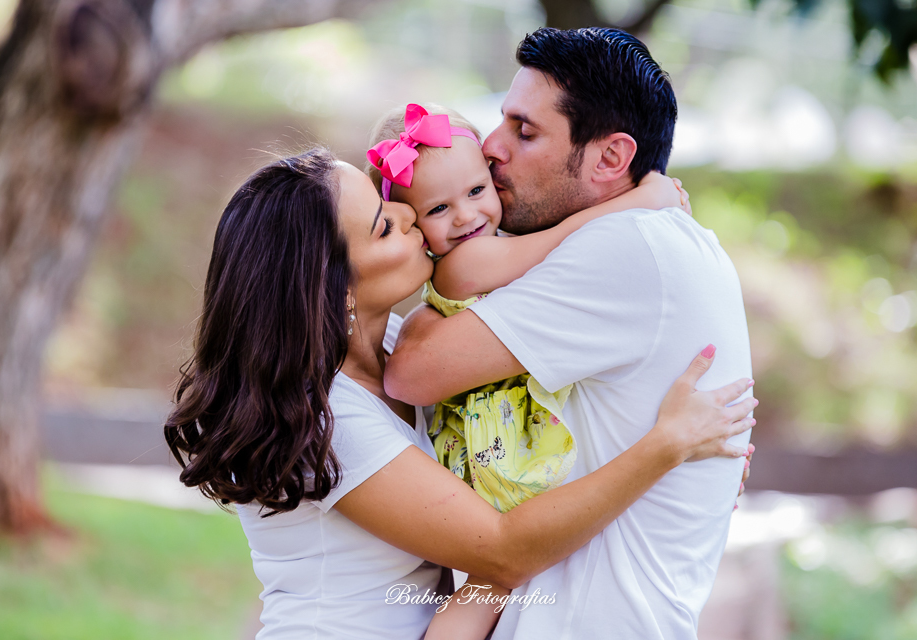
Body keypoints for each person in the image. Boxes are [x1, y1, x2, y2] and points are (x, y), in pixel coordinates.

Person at [164, 146, 756, 640]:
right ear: (334, 288)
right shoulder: (327, 416)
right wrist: (662, 452)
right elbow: (502, 552)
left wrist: (677, 490)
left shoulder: (400, 350)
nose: (409, 214)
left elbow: (515, 433)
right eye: (383, 226)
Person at [385, 27, 755, 639]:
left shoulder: (626, 246)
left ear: (610, 158)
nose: (491, 147)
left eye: (525, 131)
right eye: (502, 121)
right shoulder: (657, 238)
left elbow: (415, 370)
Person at [367, 102, 693, 637]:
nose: (467, 217)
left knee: (493, 586)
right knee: (493, 579)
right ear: (413, 224)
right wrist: (639, 201)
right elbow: (557, 242)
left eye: (476, 191)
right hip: (494, 444)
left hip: (509, 429)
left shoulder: (488, 249)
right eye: (439, 208)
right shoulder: (465, 263)